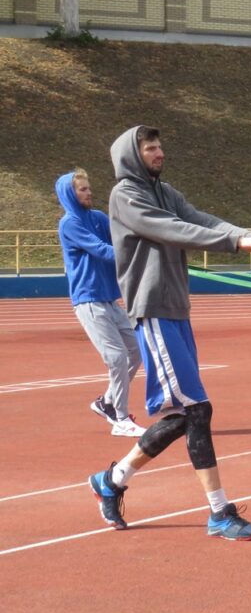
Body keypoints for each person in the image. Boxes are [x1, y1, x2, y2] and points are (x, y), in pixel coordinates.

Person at [87, 125, 251, 540]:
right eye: (150, 148)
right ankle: (219, 512)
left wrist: (242, 234)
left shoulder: (165, 191)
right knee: (197, 410)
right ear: (133, 157)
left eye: (159, 146)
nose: (159, 152)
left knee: (179, 417)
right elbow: (171, 229)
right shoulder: (126, 196)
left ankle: (112, 480)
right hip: (152, 309)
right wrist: (232, 244)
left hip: (175, 309)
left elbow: (197, 219)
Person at [55, 169, 145, 437]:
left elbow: (119, 236)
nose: (89, 192)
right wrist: (135, 254)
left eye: (89, 187)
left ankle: (106, 402)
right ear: (70, 194)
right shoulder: (69, 223)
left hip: (109, 300)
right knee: (116, 357)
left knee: (135, 351)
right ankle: (120, 418)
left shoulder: (97, 217)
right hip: (89, 300)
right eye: (83, 189)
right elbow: (103, 250)